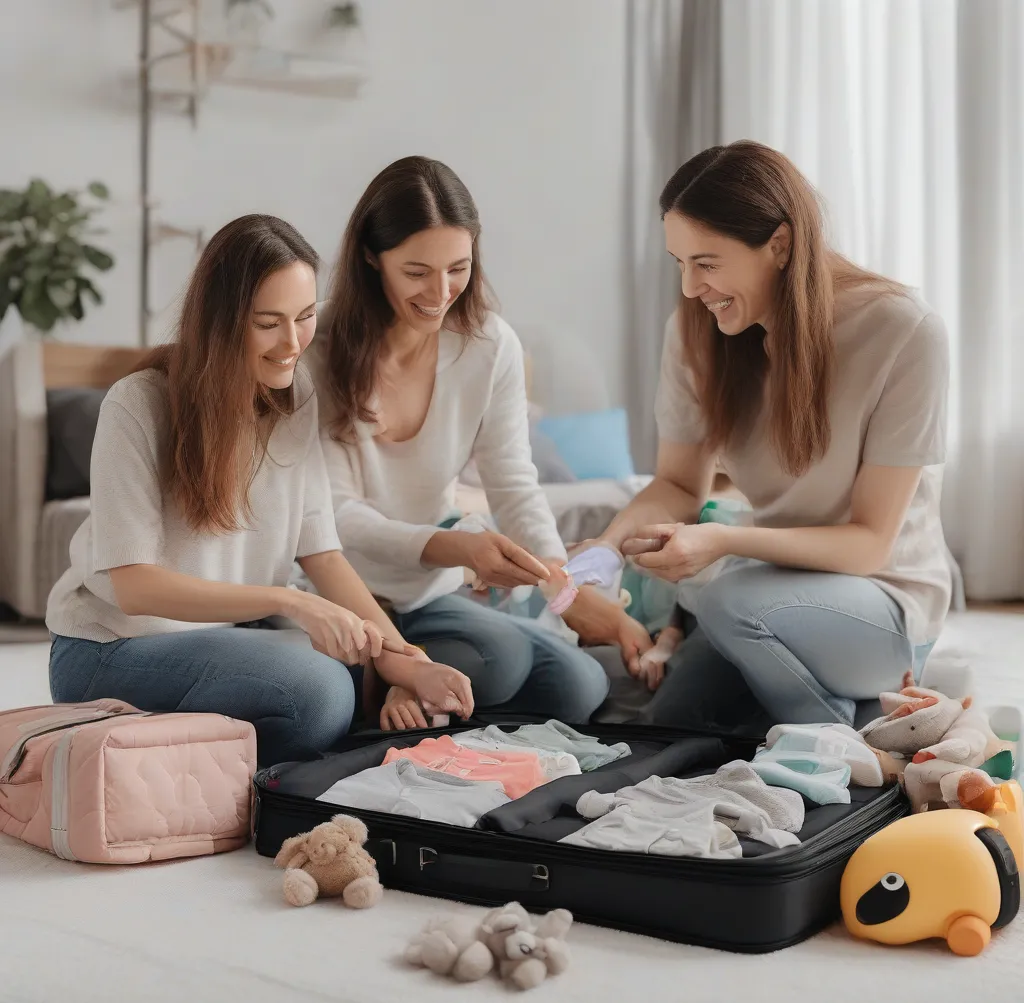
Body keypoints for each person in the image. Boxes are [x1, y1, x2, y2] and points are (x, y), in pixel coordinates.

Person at [46, 214, 473, 767]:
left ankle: (201, 751)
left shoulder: (294, 397)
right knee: (317, 691)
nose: (292, 343)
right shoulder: (138, 404)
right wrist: (290, 602)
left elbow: (322, 554)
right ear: (221, 323)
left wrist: (405, 662)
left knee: (351, 664)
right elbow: (134, 588)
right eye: (268, 323)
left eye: (305, 316)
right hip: (112, 648)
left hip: (224, 637)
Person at [592, 140, 951, 731]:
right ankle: (848, 715)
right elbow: (680, 483)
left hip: (883, 602)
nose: (689, 288)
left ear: (779, 245)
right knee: (667, 725)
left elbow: (868, 544)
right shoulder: (694, 334)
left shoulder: (905, 332)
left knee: (726, 598)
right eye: (679, 264)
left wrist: (724, 543)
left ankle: (851, 750)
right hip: (767, 594)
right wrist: (608, 544)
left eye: (706, 263)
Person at [309, 156, 651, 731]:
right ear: (372, 257)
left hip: (425, 595)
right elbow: (336, 520)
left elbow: (514, 482)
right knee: (504, 658)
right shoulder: (316, 348)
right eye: (416, 271)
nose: (439, 292)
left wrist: (561, 588)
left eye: (458, 268)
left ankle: (408, 682)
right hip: (341, 595)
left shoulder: (488, 346)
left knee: (579, 686)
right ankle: (400, 675)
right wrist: (461, 549)